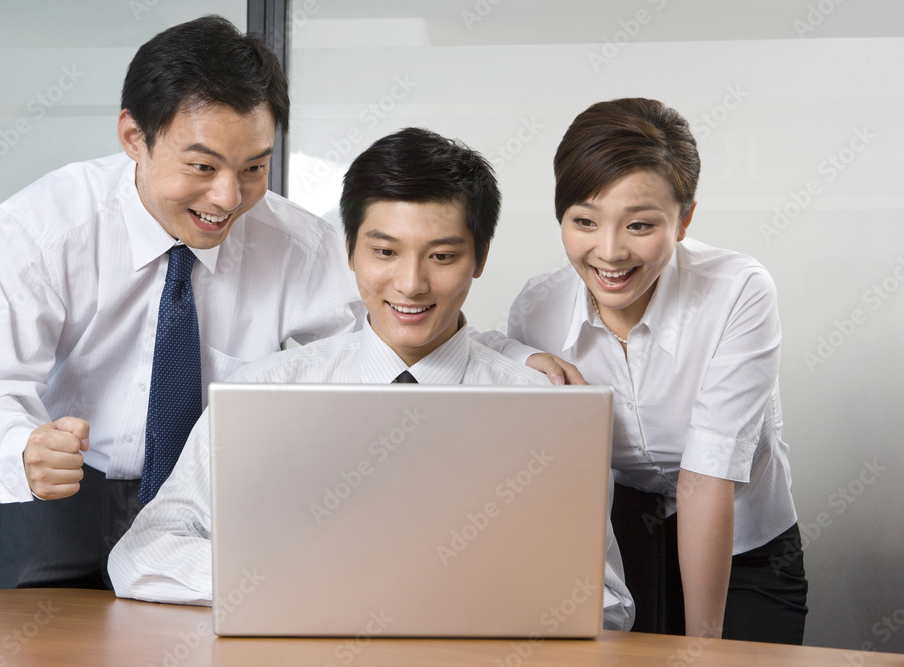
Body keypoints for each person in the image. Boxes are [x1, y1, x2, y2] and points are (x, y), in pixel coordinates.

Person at [0, 16, 572, 592]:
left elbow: (398, 324)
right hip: (66, 494)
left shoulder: (297, 243)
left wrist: (514, 356)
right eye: (202, 165)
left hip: (210, 505)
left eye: (254, 168)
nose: (227, 197)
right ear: (134, 136)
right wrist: (24, 452)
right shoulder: (44, 227)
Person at [108, 127, 635, 631]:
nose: (410, 284)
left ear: (480, 258)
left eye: (443, 256)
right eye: (384, 252)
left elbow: (606, 603)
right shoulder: (266, 394)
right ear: (350, 252)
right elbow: (142, 555)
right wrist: (309, 580)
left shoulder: (544, 412)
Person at [506, 98, 806, 643]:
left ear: (685, 219)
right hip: (620, 548)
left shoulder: (737, 292)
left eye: (640, 224)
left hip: (745, 542)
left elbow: (707, 474)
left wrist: (702, 650)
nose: (610, 251)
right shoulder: (535, 310)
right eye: (584, 222)